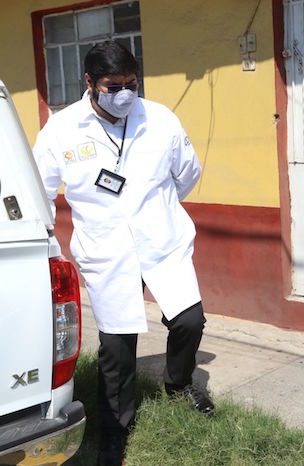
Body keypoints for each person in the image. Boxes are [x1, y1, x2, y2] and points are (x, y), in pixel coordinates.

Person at [33, 41, 214, 465]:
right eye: (113, 87)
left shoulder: (160, 120)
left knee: (189, 320)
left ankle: (179, 384)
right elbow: (41, 192)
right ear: (89, 82)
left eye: (131, 84)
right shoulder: (62, 130)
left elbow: (187, 175)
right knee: (116, 346)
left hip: (162, 241)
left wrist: (155, 210)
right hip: (106, 249)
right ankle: (116, 430)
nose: (125, 94)